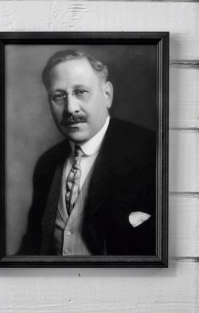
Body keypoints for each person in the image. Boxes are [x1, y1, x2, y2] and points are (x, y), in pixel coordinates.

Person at [18, 49, 157, 256]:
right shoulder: (47, 164)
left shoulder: (151, 150)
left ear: (107, 94)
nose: (71, 108)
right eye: (58, 96)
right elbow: (32, 246)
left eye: (81, 92)